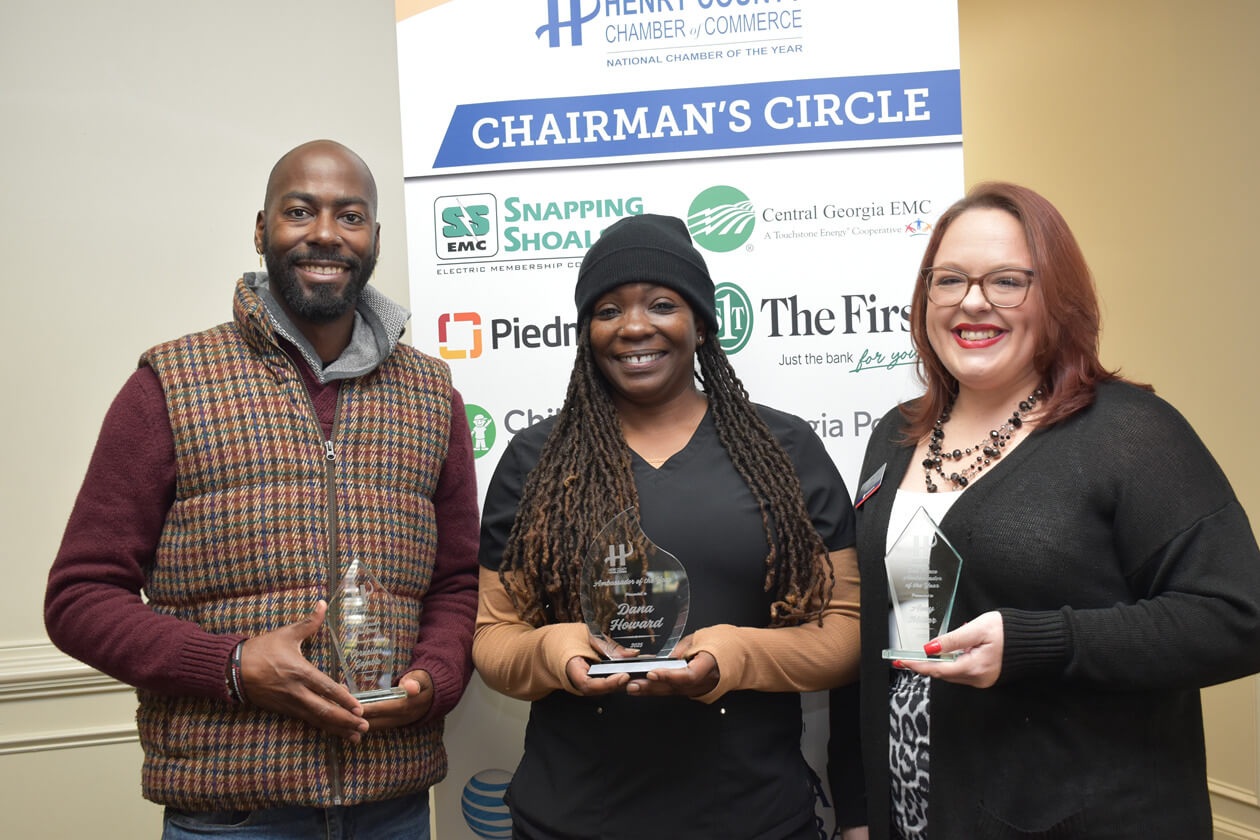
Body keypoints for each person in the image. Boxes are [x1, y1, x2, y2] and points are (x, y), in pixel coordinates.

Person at [44, 140, 480, 838]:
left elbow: (456, 583)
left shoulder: (432, 394)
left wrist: (433, 680)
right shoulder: (172, 384)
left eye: (350, 216)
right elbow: (79, 598)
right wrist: (235, 665)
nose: (326, 233)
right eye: (299, 211)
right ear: (260, 229)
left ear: (374, 239)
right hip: (234, 818)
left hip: (392, 809)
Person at [846, 181, 1260, 839]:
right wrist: (861, 810)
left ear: (1058, 298)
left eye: (1007, 281)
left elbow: (1239, 618)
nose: (972, 301)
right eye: (948, 280)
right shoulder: (895, 435)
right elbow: (878, 635)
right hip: (918, 815)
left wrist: (1039, 643)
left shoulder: (1131, 434)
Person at [473, 213, 866, 839]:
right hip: (572, 821)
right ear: (586, 332)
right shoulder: (535, 461)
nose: (633, 326)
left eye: (661, 304)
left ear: (701, 324)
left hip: (754, 819)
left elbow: (846, 632)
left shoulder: (784, 450)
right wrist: (552, 651)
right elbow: (494, 637)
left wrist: (735, 657)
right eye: (608, 310)